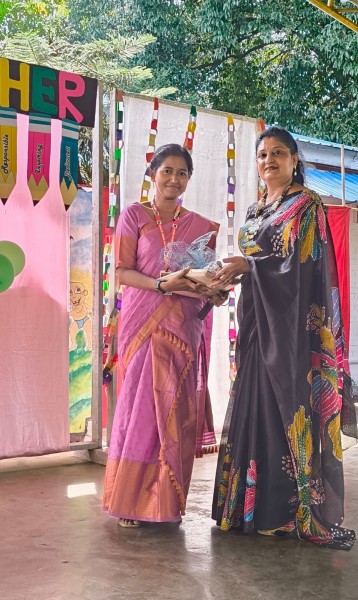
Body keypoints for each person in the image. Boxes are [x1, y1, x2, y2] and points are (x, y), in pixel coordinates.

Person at [211, 127, 358, 550]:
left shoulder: (306, 205)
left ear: (295, 159)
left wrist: (250, 266)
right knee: (254, 405)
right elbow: (257, 262)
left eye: (278, 153)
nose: (269, 160)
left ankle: (286, 513)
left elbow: (304, 266)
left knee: (285, 412)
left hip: (291, 328)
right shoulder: (257, 208)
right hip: (257, 323)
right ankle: (249, 510)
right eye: (262, 154)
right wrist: (226, 278)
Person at [102, 143, 220, 528]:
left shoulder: (200, 228)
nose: (174, 179)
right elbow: (122, 271)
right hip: (142, 326)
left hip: (181, 329)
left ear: (189, 179)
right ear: (153, 174)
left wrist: (215, 291)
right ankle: (130, 502)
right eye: (167, 171)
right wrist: (160, 285)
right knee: (140, 412)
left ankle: (165, 502)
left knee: (173, 411)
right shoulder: (134, 216)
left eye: (182, 173)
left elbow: (203, 281)